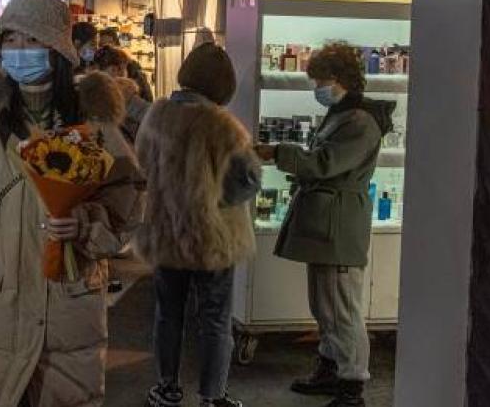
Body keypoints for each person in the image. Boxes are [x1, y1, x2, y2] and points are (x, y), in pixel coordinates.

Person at [0, 0, 146, 407]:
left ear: (57, 49)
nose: (20, 51)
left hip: (70, 307)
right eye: (10, 40)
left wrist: (87, 223)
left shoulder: (91, 119)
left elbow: (127, 196)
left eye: (32, 40)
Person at [255, 44, 393, 407]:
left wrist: (277, 153)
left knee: (341, 307)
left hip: (339, 223)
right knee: (324, 304)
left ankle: (352, 385)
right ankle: (331, 368)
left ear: (341, 78)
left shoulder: (360, 121)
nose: (317, 87)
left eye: (321, 80)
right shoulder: (343, 113)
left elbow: (325, 163)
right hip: (328, 221)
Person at [136, 43, 260, 407]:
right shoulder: (222, 124)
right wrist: (213, 201)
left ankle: (167, 387)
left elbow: (141, 166)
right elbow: (249, 178)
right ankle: (212, 395)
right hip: (213, 236)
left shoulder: (157, 115)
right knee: (215, 319)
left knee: (168, 314)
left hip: (166, 231)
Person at [92, 45, 149, 143]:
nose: (121, 74)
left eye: (123, 69)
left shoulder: (91, 93)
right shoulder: (124, 91)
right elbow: (149, 115)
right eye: (115, 69)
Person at [100, 27, 154, 102]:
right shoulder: (98, 67)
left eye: (110, 43)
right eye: (102, 45)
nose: (107, 47)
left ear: (116, 43)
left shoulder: (132, 68)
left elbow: (147, 98)